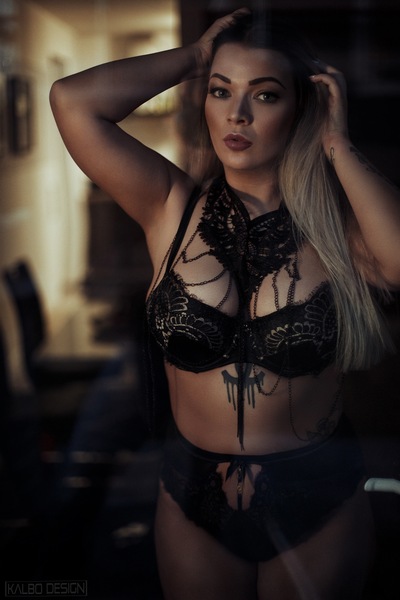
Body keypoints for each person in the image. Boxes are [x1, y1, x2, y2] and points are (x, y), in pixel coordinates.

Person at [50, 8, 400, 599]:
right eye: (220, 91)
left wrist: (336, 143)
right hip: (192, 493)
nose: (237, 114)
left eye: (264, 95)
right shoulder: (169, 205)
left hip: (316, 493)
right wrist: (193, 58)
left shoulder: (336, 228)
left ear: (301, 107)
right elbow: (72, 101)